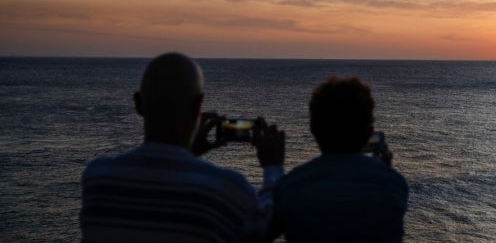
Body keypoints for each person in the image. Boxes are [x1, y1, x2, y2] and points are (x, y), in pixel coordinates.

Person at [80, 52, 285, 243]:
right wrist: (272, 166)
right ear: (198, 106)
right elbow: (268, 226)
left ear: (138, 104)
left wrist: (188, 154)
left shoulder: (97, 177)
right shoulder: (225, 189)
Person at [268, 77, 408, 242]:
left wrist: (272, 166)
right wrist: (384, 170)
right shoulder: (394, 185)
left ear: (313, 128)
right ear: (369, 130)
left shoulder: (290, 187)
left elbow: (256, 233)